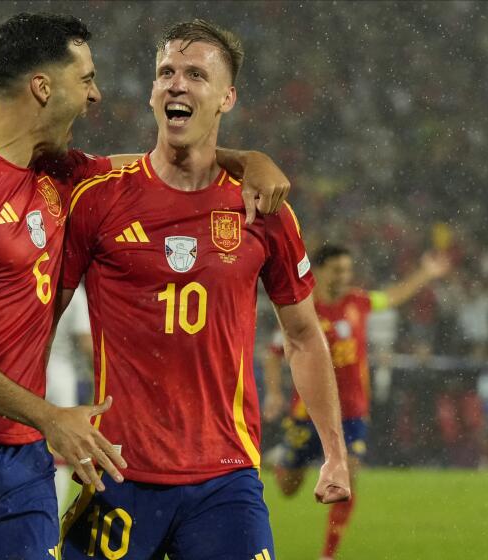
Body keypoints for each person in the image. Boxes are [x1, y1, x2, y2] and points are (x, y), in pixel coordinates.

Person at [0, 13, 293, 560]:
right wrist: (49, 416)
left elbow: (162, 166)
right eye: (85, 80)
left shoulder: (62, 175)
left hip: (22, 458)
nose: (96, 95)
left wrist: (249, 161)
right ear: (43, 87)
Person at [57, 19, 350, 560]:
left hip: (225, 480)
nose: (177, 85)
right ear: (150, 92)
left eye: (196, 74)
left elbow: (305, 336)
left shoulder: (263, 208)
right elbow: (41, 318)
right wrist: (41, 420)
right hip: (119, 471)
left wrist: (334, 452)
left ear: (226, 97)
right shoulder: (99, 198)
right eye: (166, 72)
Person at [263, 244, 450, 560]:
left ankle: (328, 555)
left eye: (347, 270)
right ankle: (283, 462)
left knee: (347, 479)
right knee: (289, 488)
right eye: (337, 270)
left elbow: (392, 296)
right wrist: (275, 392)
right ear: (318, 271)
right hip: (306, 414)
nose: (344, 276)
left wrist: (425, 273)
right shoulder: (302, 308)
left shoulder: (359, 302)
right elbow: (272, 354)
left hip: (351, 414)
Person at [47, 286, 93, 512]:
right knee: (63, 450)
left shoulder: (39, 283)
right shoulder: (77, 294)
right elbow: (85, 342)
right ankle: (53, 510)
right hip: (61, 376)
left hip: (31, 374)